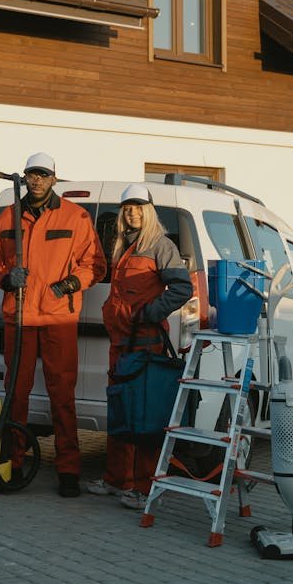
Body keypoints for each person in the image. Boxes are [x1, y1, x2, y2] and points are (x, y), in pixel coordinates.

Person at [0, 152, 106, 497]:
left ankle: (68, 468)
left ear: (54, 178)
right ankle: (13, 462)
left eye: (42, 175)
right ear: (25, 178)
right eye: (31, 175)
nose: (36, 180)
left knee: (61, 395)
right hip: (19, 317)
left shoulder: (75, 216)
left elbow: (95, 264)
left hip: (57, 316)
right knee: (15, 394)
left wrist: (71, 283)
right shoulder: (9, 217)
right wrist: (6, 278)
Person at [87, 183, 193, 510]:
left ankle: (144, 487)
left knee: (145, 417)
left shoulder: (160, 246)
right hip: (121, 344)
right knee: (120, 413)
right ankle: (117, 479)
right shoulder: (124, 247)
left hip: (146, 346)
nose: (131, 213)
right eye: (127, 208)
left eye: (137, 208)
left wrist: (151, 313)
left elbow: (181, 287)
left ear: (148, 212)